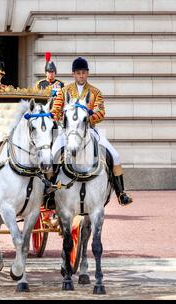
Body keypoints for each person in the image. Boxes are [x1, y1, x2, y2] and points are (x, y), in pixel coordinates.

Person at [51, 57, 132, 206]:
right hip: (67, 132)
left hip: (90, 130)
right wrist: (59, 116)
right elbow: (55, 110)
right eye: (78, 73)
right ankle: (49, 192)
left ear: (87, 73)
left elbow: (101, 112)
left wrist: (88, 118)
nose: (81, 76)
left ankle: (121, 193)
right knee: (52, 154)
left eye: (83, 73)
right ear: (73, 74)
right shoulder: (63, 91)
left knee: (115, 155)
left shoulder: (96, 92)